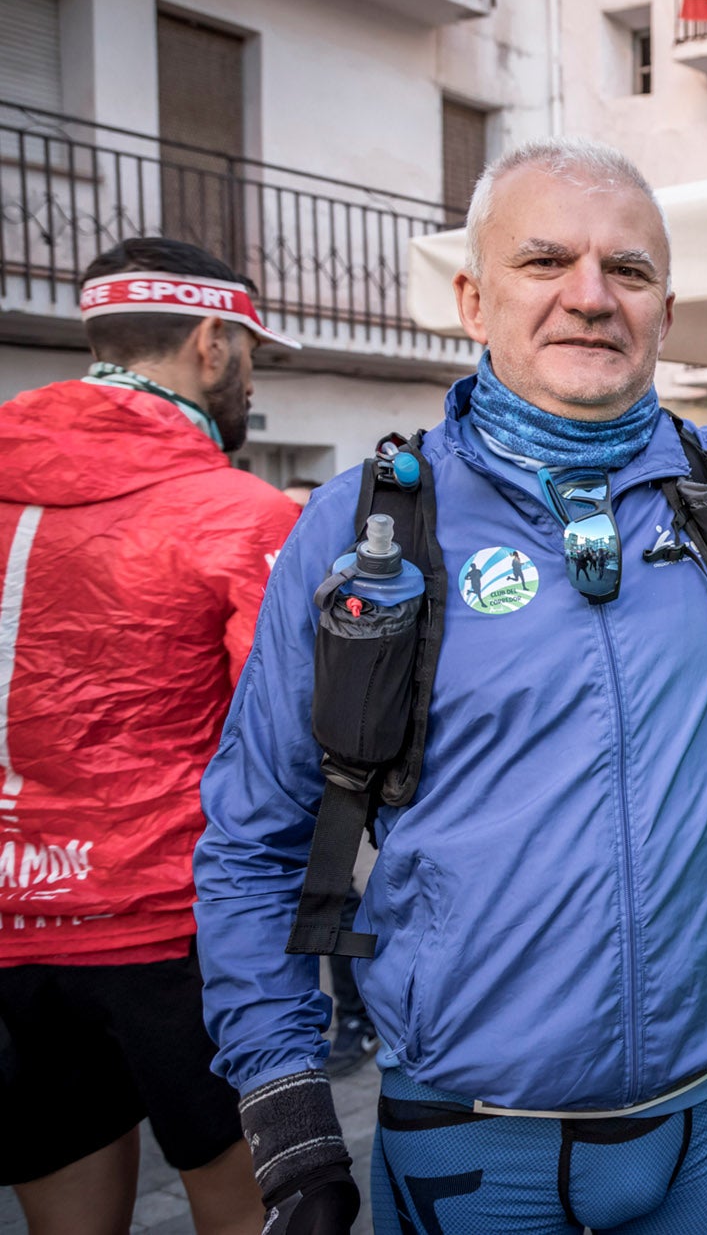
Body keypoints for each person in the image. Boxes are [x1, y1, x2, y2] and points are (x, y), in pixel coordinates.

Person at [194, 138, 707, 1235]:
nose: (589, 297)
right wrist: (286, 1105)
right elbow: (253, 837)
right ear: (474, 299)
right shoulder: (367, 527)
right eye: (544, 261)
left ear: (667, 307)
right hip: (473, 1134)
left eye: (628, 269)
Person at [0, 236, 300, 1235]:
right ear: (214, 344)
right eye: (251, 357)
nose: (249, 384)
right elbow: (287, 739)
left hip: (11, 931)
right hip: (176, 931)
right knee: (258, 1213)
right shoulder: (239, 511)